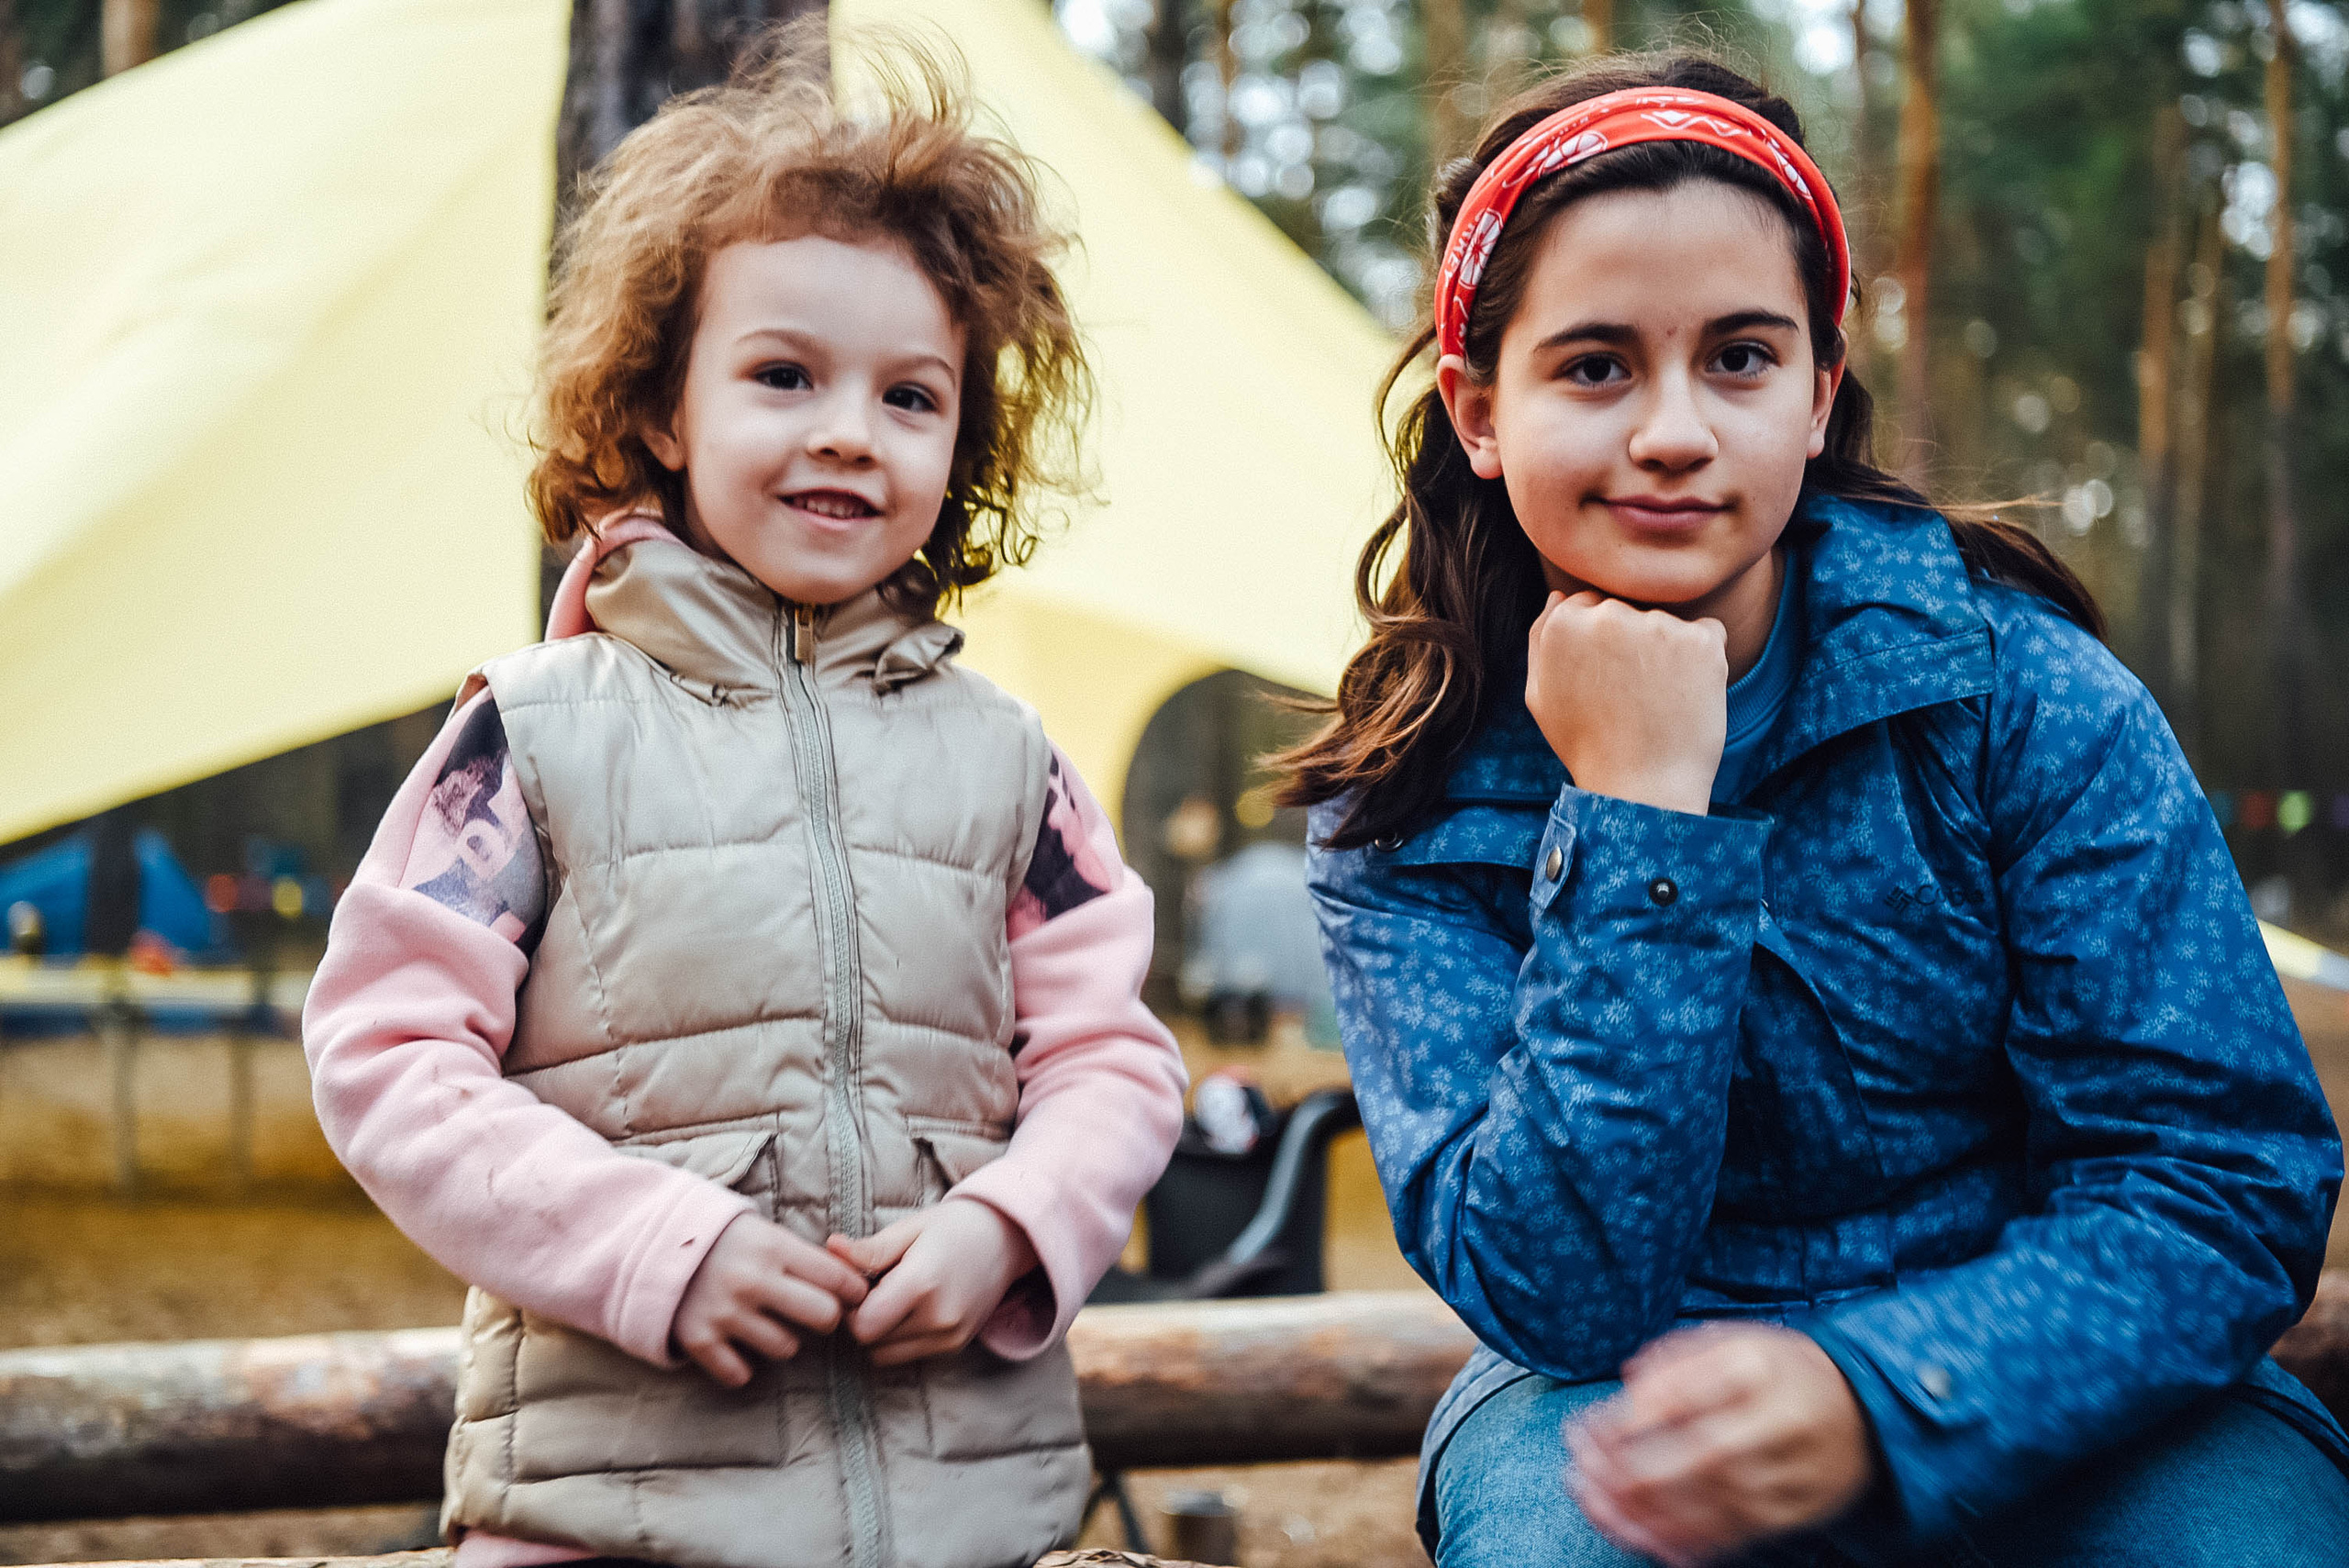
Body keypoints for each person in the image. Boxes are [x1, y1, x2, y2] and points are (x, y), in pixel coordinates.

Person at [1280, 51, 2349, 1568]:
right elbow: (1559, 1290)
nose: (1672, 430)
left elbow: (2220, 1179)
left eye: (1739, 357)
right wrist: (1640, 822)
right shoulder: (1405, 801)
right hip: (1613, 1394)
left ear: (1818, 389)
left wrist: (1884, 1389)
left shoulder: (2017, 695)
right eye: (1594, 365)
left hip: (2063, 1368)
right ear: (1478, 408)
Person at [302, 31, 1186, 1568]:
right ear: (664, 408)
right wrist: (651, 1245)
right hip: (609, 1507)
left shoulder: (1010, 761)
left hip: (968, 1509)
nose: (850, 427)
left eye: (911, 397)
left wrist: (1014, 1225)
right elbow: (383, 1051)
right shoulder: (532, 736)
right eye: (785, 375)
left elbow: (1113, 1058)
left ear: (959, 440)